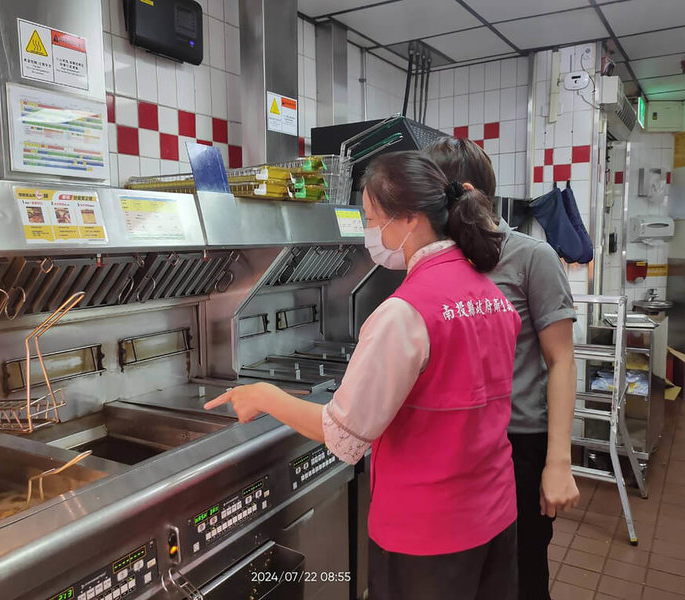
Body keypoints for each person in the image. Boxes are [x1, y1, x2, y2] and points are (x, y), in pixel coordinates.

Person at [206, 151, 522, 600]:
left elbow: (343, 434)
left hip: (428, 536)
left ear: (410, 219)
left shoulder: (404, 314)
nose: (370, 232)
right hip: (494, 516)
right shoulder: (488, 292)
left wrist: (265, 395)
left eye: (372, 219)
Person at [425, 137, 580, 600]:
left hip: (518, 447)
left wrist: (558, 463)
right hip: (458, 447)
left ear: (464, 191)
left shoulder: (533, 257)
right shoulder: (440, 260)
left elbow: (562, 360)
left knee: (521, 574)